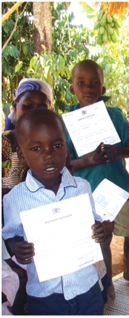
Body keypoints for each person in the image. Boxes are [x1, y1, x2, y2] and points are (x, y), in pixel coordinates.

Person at [2, 108, 106, 315]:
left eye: (57, 146)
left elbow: (93, 221)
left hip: (87, 287)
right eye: (36, 148)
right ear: (22, 154)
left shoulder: (82, 187)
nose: (49, 155)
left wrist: (100, 230)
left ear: (66, 147)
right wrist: (16, 247)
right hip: (45, 296)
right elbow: (8, 237)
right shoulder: (14, 199)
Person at [65, 59, 129, 302]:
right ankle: (107, 282)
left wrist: (119, 151)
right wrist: (89, 160)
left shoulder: (114, 115)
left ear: (103, 88)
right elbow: (66, 164)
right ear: (72, 88)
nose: (88, 88)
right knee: (102, 238)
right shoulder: (66, 122)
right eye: (81, 83)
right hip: (89, 193)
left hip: (119, 188)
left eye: (95, 83)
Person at [1, 78, 53, 315]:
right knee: (18, 278)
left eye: (41, 108)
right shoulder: (4, 144)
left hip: (45, 221)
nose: (33, 113)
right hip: (9, 226)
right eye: (27, 106)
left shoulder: (53, 143)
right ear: (15, 105)